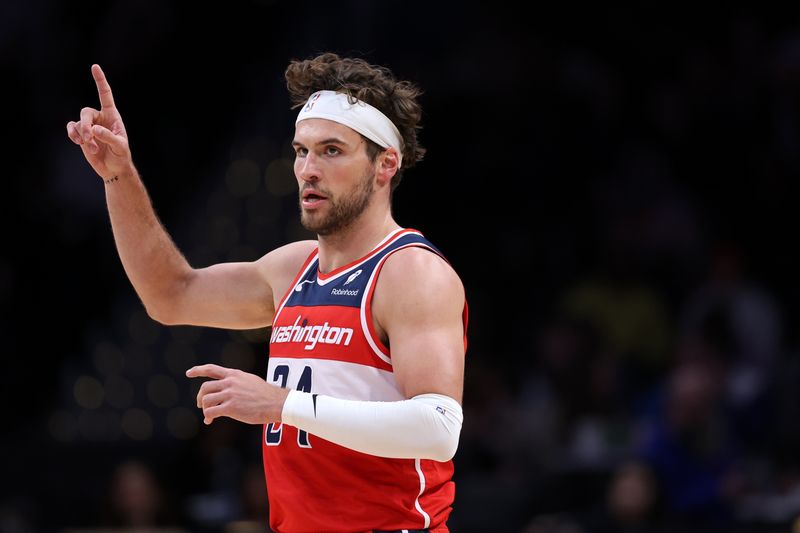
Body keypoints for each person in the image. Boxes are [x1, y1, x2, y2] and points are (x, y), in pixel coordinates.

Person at [66, 52, 468, 533]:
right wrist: (118, 175)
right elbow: (170, 295)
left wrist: (281, 404)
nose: (308, 169)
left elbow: (439, 428)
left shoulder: (411, 272)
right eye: (302, 151)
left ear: (385, 164)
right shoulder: (291, 268)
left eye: (332, 150)